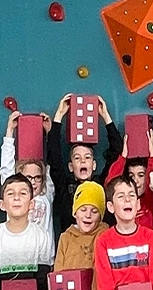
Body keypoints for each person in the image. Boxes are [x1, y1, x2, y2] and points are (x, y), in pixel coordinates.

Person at [49, 180, 108, 290]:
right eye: (83, 209)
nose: (88, 215)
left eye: (94, 210)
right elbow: (57, 275)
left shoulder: (104, 235)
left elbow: (100, 276)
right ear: (75, 212)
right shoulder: (65, 238)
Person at [47, 93, 122, 234]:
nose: (82, 161)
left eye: (87, 157)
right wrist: (59, 115)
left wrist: (105, 116)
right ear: (70, 167)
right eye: (77, 158)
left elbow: (117, 151)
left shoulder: (101, 184)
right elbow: (54, 157)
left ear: (94, 165)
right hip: (73, 250)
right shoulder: (64, 187)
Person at [0, 111, 55, 239]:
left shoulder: (46, 195)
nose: (33, 182)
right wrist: (10, 131)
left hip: (44, 258)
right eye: (28, 178)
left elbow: (52, 163)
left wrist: (49, 133)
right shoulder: (14, 195)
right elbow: (6, 168)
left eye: (37, 178)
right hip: (18, 253)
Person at [106, 132, 153, 234]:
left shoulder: (150, 202)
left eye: (141, 175)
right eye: (131, 176)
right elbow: (112, 184)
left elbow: (151, 182)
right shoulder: (123, 201)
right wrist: (123, 157)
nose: (136, 181)